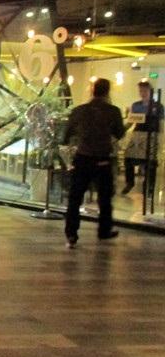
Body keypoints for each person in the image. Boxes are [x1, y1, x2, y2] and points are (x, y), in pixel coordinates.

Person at [63, 78, 125, 248]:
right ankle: (104, 230)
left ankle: (71, 233)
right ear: (107, 92)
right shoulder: (113, 111)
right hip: (102, 158)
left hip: (82, 157)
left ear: (92, 90)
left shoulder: (79, 110)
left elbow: (66, 134)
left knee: (75, 197)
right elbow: (119, 133)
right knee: (105, 197)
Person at [121, 81, 163, 196]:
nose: (142, 93)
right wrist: (121, 130)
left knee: (151, 163)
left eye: (145, 90)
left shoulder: (158, 106)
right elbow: (131, 121)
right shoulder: (136, 105)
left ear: (150, 91)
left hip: (151, 135)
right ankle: (130, 182)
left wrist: (161, 140)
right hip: (138, 135)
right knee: (128, 158)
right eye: (140, 91)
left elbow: (161, 124)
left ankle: (148, 187)